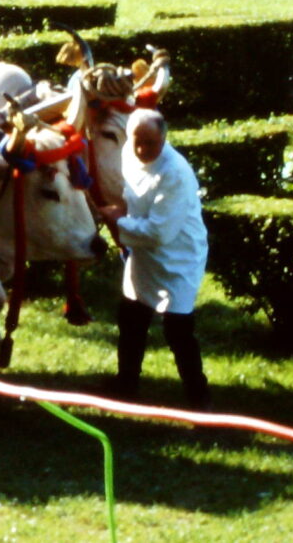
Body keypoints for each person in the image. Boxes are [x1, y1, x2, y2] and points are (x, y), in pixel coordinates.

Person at [97, 110, 211, 410]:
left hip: (178, 256)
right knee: (132, 317)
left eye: (151, 143)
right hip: (144, 254)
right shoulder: (129, 153)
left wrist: (118, 220)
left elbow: (159, 232)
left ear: (164, 138)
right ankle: (126, 384)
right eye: (138, 142)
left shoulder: (175, 173)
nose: (142, 150)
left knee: (178, 330)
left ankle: (199, 400)